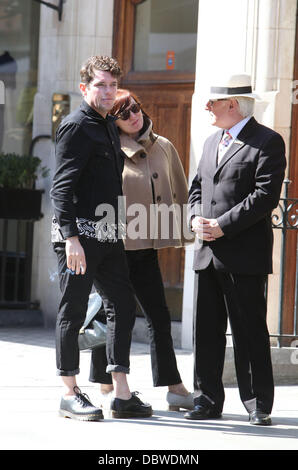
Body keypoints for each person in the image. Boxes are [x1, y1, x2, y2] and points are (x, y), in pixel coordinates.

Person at [50, 56, 152, 421]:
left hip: (109, 233)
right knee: (73, 310)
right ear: (85, 88)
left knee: (122, 305)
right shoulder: (76, 126)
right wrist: (70, 239)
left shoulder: (108, 124)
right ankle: (69, 391)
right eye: (100, 85)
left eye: (112, 85)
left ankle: (121, 392)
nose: (108, 92)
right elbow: (60, 188)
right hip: (79, 235)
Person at [185, 73, 286, 425]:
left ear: (233, 105)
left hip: (244, 256)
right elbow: (196, 188)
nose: (206, 107)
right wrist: (196, 218)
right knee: (206, 332)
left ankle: (258, 404)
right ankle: (206, 400)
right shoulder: (212, 140)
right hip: (206, 254)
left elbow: (264, 197)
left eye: (212, 102)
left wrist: (221, 226)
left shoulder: (268, 142)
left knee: (249, 332)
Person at [89, 88, 195, 412]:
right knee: (111, 314)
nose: (133, 116)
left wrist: (183, 230)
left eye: (134, 108)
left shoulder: (163, 146)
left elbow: (179, 190)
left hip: (145, 246)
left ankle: (173, 386)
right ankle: (105, 381)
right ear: (114, 122)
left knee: (158, 316)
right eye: (123, 113)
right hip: (114, 245)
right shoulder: (108, 149)